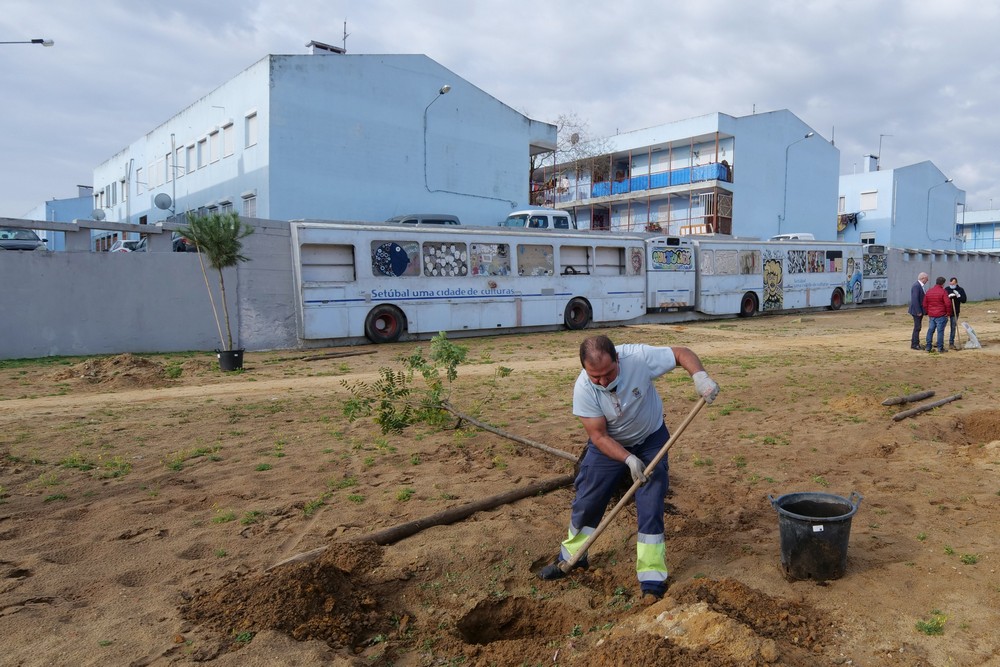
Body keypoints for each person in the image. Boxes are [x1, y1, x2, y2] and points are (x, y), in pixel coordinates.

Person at [536, 335, 719, 603]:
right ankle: (572, 557)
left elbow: (681, 353)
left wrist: (700, 376)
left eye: (608, 373)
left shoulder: (639, 358)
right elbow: (598, 437)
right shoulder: (584, 389)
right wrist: (628, 460)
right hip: (608, 445)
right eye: (594, 375)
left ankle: (652, 580)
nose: (602, 381)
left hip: (650, 439)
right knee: (588, 500)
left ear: (617, 359)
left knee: (651, 504)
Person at [923, 276, 952, 353]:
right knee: (940, 331)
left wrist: (928, 312)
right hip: (941, 314)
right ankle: (940, 348)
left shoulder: (929, 291)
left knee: (930, 330)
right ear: (943, 284)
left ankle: (928, 347)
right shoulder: (943, 292)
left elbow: (925, 303)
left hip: (932, 315)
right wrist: (948, 313)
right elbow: (948, 303)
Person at [908, 272, 929, 350]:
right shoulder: (917, 286)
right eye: (927, 278)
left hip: (918, 310)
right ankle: (915, 344)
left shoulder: (919, 286)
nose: (927, 280)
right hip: (916, 311)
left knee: (917, 327)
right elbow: (915, 299)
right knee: (917, 327)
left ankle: (915, 342)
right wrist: (918, 311)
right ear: (923, 278)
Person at [945, 277, 968, 350]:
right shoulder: (946, 289)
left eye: (953, 283)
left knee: (953, 327)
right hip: (945, 311)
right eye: (950, 283)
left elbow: (964, 300)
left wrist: (958, 296)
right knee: (941, 326)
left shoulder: (960, 290)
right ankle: (939, 342)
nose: (952, 285)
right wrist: (948, 297)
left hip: (955, 311)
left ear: (956, 283)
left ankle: (951, 343)